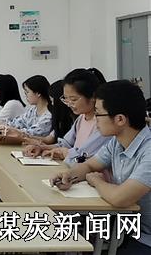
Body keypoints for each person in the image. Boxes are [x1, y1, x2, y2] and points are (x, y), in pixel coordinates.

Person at [50, 80, 151, 254]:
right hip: (122, 226)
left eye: (98, 114)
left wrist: (96, 181)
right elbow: (90, 165)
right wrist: (69, 175)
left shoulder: (148, 150)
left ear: (120, 119)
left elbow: (120, 198)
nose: (95, 120)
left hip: (144, 237)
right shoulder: (117, 142)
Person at [24, 68, 110, 165]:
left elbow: (82, 154)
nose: (68, 104)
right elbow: (65, 144)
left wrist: (65, 153)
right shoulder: (81, 118)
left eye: (73, 99)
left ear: (92, 97)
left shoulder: (102, 123)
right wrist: (41, 148)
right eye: (65, 98)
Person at [23, 80, 76, 145]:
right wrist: (28, 137)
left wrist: (23, 136)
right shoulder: (60, 120)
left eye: (52, 101)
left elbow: (66, 146)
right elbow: (49, 139)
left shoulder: (75, 121)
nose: (52, 104)